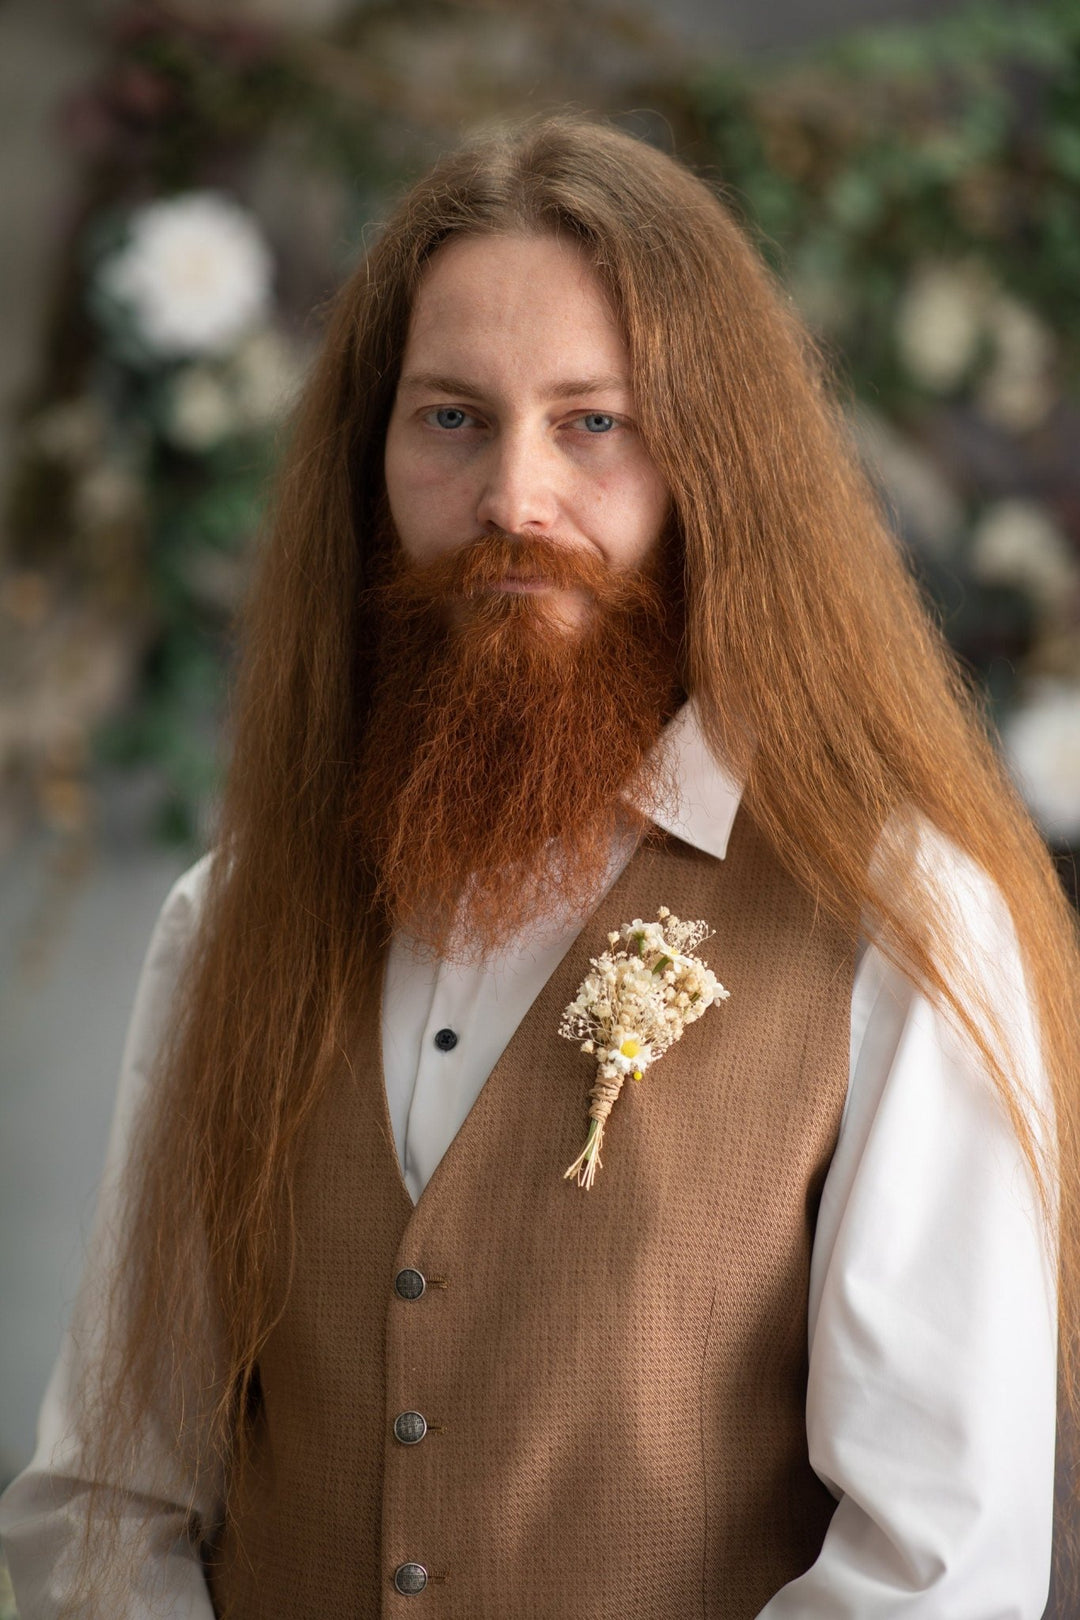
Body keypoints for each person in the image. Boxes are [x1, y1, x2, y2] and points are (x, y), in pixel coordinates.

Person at [0, 114, 1074, 1619]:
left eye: (594, 422)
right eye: (451, 417)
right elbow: (108, 1502)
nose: (514, 495)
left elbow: (936, 1568)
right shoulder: (230, 915)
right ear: (371, 461)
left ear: (718, 467)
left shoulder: (899, 923)